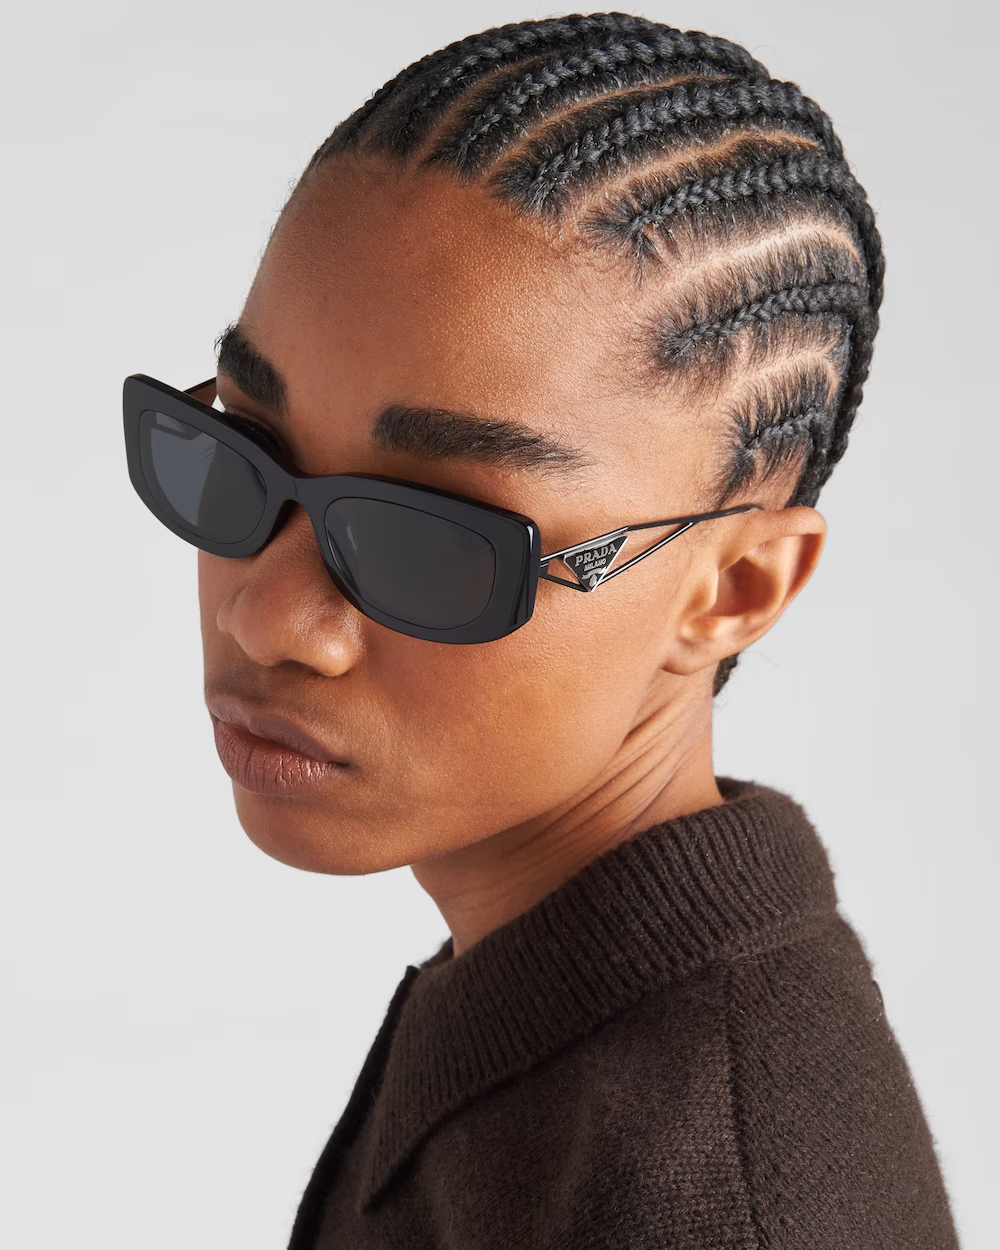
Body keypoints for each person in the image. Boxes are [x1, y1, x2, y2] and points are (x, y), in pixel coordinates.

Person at [123, 12, 959, 1247]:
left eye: (432, 538)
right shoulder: (551, 1001)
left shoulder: (713, 1203)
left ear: (733, 589)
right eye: (239, 447)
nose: (269, 615)